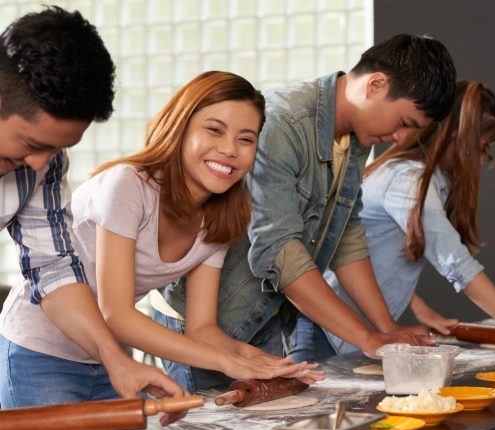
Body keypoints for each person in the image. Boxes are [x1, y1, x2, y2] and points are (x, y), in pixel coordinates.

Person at [1, 69, 321, 406]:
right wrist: (227, 362)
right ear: (180, 128)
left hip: (114, 361)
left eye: (246, 139)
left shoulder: (221, 216)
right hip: (38, 354)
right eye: (214, 130)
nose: (230, 149)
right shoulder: (127, 186)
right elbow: (117, 314)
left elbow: (202, 328)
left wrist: (261, 362)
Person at [156, 33, 457, 389]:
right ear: (376, 85)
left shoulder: (355, 138)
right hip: (205, 322)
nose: (399, 137)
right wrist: (365, 337)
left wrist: (385, 327)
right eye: (405, 122)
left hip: (263, 315)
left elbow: (347, 236)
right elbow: (278, 249)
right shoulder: (285, 122)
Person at [0, 7, 187, 419]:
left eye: (55, 149)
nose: (39, 163)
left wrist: (115, 359)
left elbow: (53, 270)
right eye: (31, 144)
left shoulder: (43, 165)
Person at [309, 80, 495, 354]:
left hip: (346, 328)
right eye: (482, 147)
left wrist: (419, 308)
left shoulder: (424, 180)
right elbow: (457, 265)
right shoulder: (408, 180)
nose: (482, 161)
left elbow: (376, 252)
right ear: (457, 137)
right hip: (325, 328)